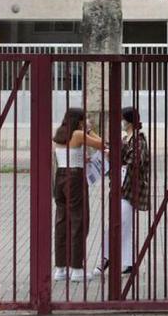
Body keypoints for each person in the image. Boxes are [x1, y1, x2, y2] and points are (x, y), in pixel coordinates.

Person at [53, 108, 105, 282]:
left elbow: (66, 155)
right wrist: (90, 131)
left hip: (60, 177)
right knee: (79, 221)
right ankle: (76, 269)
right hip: (74, 178)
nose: (87, 121)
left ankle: (60, 268)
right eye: (85, 119)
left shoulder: (60, 133)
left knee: (62, 222)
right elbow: (102, 144)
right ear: (79, 120)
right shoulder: (78, 134)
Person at [100, 107, 150, 275]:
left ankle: (106, 258)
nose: (121, 122)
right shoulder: (126, 138)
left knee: (119, 224)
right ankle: (129, 263)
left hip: (129, 188)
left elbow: (134, 161)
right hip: (119, 187)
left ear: (129, 121)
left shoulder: (139, 140)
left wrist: (115, 155)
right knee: (123, 225)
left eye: (122, 119)